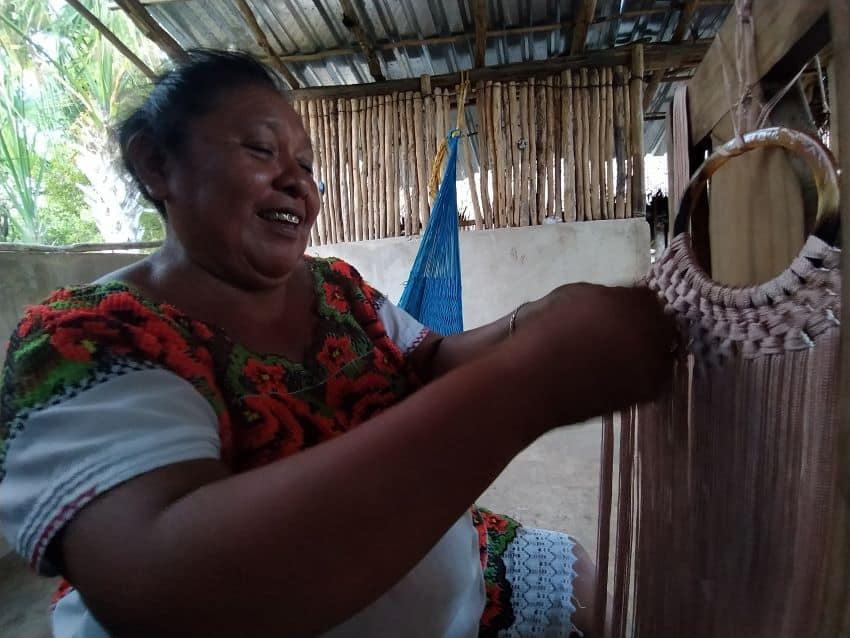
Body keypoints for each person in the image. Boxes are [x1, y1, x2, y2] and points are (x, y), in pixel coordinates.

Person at [0, 50, 674, 638]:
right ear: (157, 165)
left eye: (306, 164)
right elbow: (165, 584)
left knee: (592, 580)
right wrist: (527, 388)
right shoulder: (87, 339)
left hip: (455, 583)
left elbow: (428, 361)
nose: (298, 181)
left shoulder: (336, 289)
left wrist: (529, 322)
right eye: (261, 151)